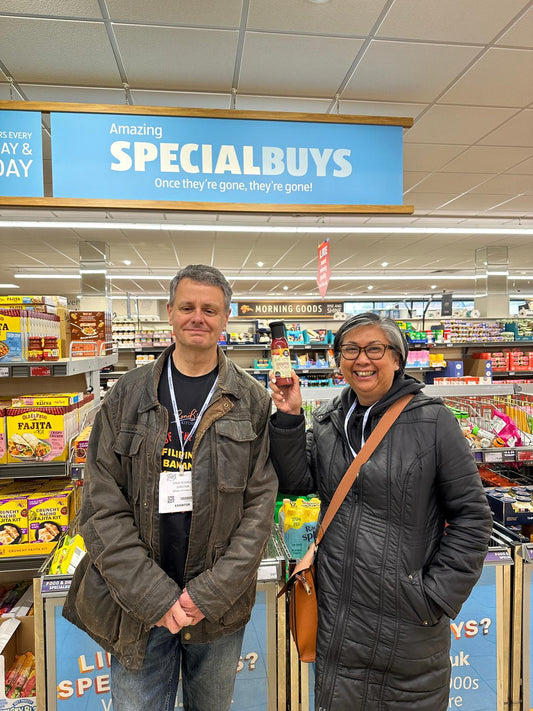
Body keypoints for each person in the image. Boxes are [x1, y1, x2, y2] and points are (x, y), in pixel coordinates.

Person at [64, 264, 277, 711]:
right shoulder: (127, 394)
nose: (197, 317)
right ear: (170, 313)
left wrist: (208, 594)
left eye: (210, 309)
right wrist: (153, 596)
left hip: (216, 609)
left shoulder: (251, 400)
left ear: (226, 317)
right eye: (187, 307)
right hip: (138, 607)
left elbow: (259, 507)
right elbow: (101, 505)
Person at [269, 312, 493, 711]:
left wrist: (433, 597)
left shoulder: (432, 421)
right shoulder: (326, 420)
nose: (362, 360)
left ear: (397, 358)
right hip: (338, 623)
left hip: (407, 630)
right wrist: (288, 418)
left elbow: (473, 518)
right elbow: (298, 486)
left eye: (375, 348)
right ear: (338, 361)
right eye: (350, 350)